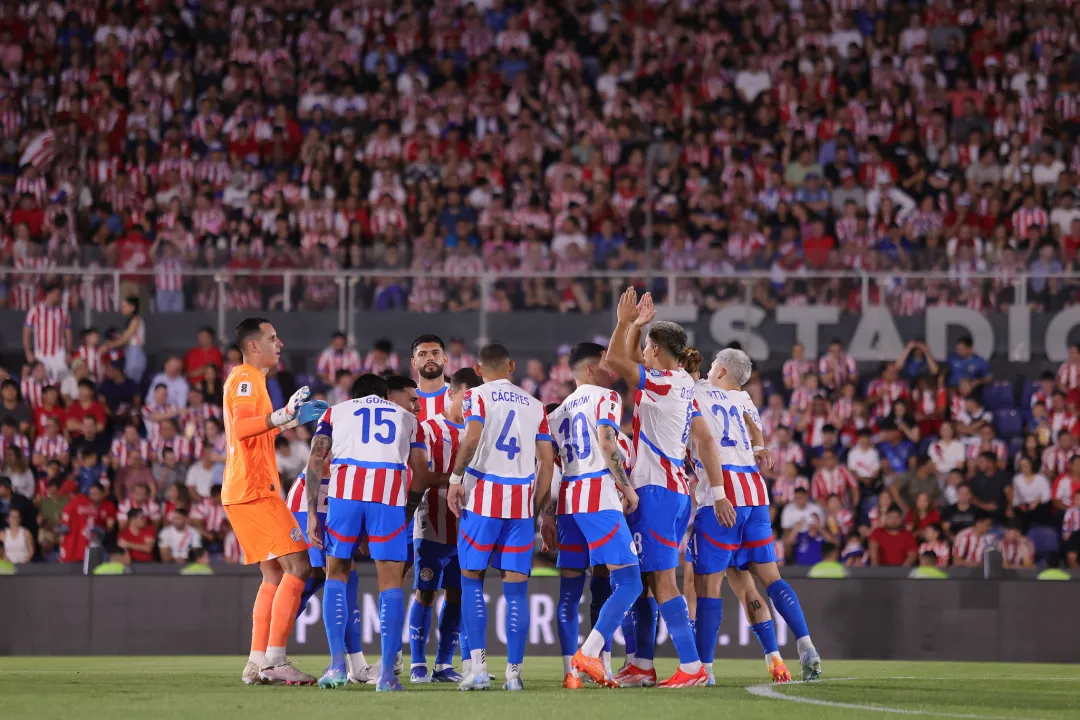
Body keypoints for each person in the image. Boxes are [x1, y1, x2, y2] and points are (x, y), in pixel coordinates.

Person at [602, 288, 730, 689]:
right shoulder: (681, 385)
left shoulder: (663, 382)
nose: (642, 351)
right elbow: (705, 439)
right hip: (671, 490)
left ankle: (691, 667)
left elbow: (614, 362)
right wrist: (638, 328)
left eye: (646, 346)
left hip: (656, 489)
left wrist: (625, 322)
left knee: (663, 581)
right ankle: (642, 663)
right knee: (650, 581)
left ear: (656, 350)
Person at [692, 348, 820, 683]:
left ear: (719, 370)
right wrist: (761, 448)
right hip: (755, 493)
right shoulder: (746, 398)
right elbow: (755, 431)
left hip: (723, 490)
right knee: (763, 581)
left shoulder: (696, 391)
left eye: (712, 367)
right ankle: (795, 648)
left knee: (708, 585)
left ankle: (704, 669)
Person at [303, 374, 432, 692]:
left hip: (346, 494)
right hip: (387, 496)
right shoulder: (407, 417)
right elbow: (420, 472)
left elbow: (316, 461)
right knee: (390, 583)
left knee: (336, 574)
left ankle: (336, 667)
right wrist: (406, 510)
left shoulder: (335, 411)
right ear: (386, 394)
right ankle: (386, 675)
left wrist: (311, 513)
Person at [223, 317, 327, 686]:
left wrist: (289, 420)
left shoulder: (250, 379)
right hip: (255, 489)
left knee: (273, 574)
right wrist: (284, 414)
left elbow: (253, 433)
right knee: (300, 566)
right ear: (254, 346)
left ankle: (256, 662)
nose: (279, 343)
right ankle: (275, 661)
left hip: (243, 490)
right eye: (272, 338)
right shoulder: (248, 377)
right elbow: (241, 428)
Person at [445, 344, 556, 691]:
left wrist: (454, 481)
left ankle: (477, 669)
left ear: (478, 369)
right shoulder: (536, 405)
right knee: (516, 592)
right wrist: (535, 509)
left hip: (483, 499)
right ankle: (514, 674)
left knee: (471, 580)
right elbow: (547, 463)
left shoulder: (475, 397)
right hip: (520, 504)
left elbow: (473, 436)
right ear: (511, 365)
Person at [544, 342, 642, 689]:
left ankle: (571, 673)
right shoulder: (606, 397)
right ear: (589, 369)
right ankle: (590, 652)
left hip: (569, 502)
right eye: (605, 361)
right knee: (629, 582)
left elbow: (548, 467)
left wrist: (547, 514)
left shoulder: (555, 415)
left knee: (570, 593)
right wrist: (627, 488)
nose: (612, 367)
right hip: (599, 496)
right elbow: (606, 441)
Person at [407, 367, 483, 683]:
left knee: (457, 595)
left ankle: (443, 665)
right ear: (450, 394)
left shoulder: (479, 432)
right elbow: (420, 476)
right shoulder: (429, 429)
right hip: (432, 524)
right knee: (426, 592)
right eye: (465, 399)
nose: (469, 407)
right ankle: (416, 664)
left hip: (466, 527)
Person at [22, 282, 72, 383]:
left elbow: (68, 333)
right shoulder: (35, 310)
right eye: (57, 294)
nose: (59, 297)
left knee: (62, 382)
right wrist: (28, 352)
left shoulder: (63, 312)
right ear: (50, 293)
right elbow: (27, 333)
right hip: (41, 354)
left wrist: (69, 352)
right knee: (41, 382)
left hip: (59, 354)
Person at [103, 297, 146, 383]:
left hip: (135, 353)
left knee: (131, 380)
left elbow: (125, 339)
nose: (122, 308)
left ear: (133, 307)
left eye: (124, 306)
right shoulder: (131, 321)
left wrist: (108, 346)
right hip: (130, 352)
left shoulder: (135, 320)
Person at [412, 335, 451, 421]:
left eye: (435, 353)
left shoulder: (458, 397)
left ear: (445, 359)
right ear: (413, 362)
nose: (430, 358)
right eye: (422, 354)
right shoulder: (406, 400)